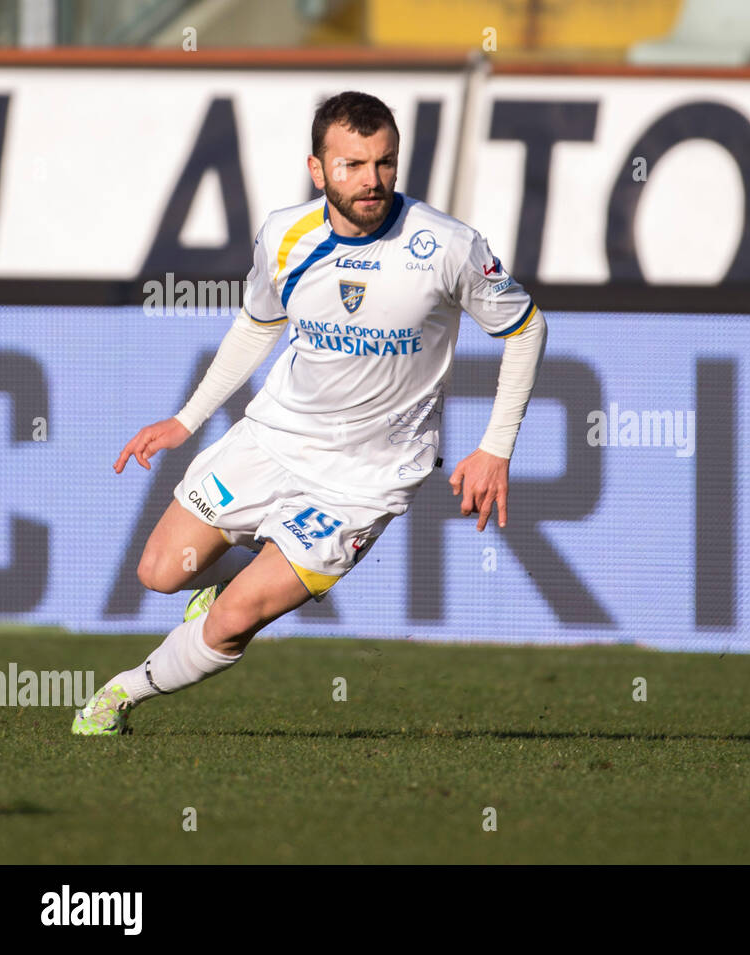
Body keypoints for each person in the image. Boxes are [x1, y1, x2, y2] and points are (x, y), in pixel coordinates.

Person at [72, 91, 546, 735]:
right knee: (159, 572)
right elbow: (255, 325)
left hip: (367, 478)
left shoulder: (447, 246)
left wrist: (496, 447)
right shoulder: (285, 235)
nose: (371, 181)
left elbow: (524, 328)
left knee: (235, 618)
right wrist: (186, 419)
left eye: (383, 163)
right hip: (274, 440)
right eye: (351, 165)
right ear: (317, 169)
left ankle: (119, 696)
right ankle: (224, 580)